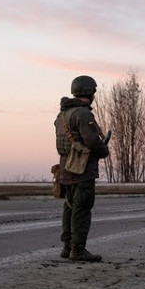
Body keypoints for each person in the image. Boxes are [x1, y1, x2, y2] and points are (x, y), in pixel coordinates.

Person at [55, 75, 111, 262]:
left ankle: (67, 247)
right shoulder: (83, 114)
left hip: (65, 169)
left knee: (69, 207)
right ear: (90, 92)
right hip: (82, 169)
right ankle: (78, 250)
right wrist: (103, 150)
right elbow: (92, 141)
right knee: (82, 208)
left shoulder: (62, 115)